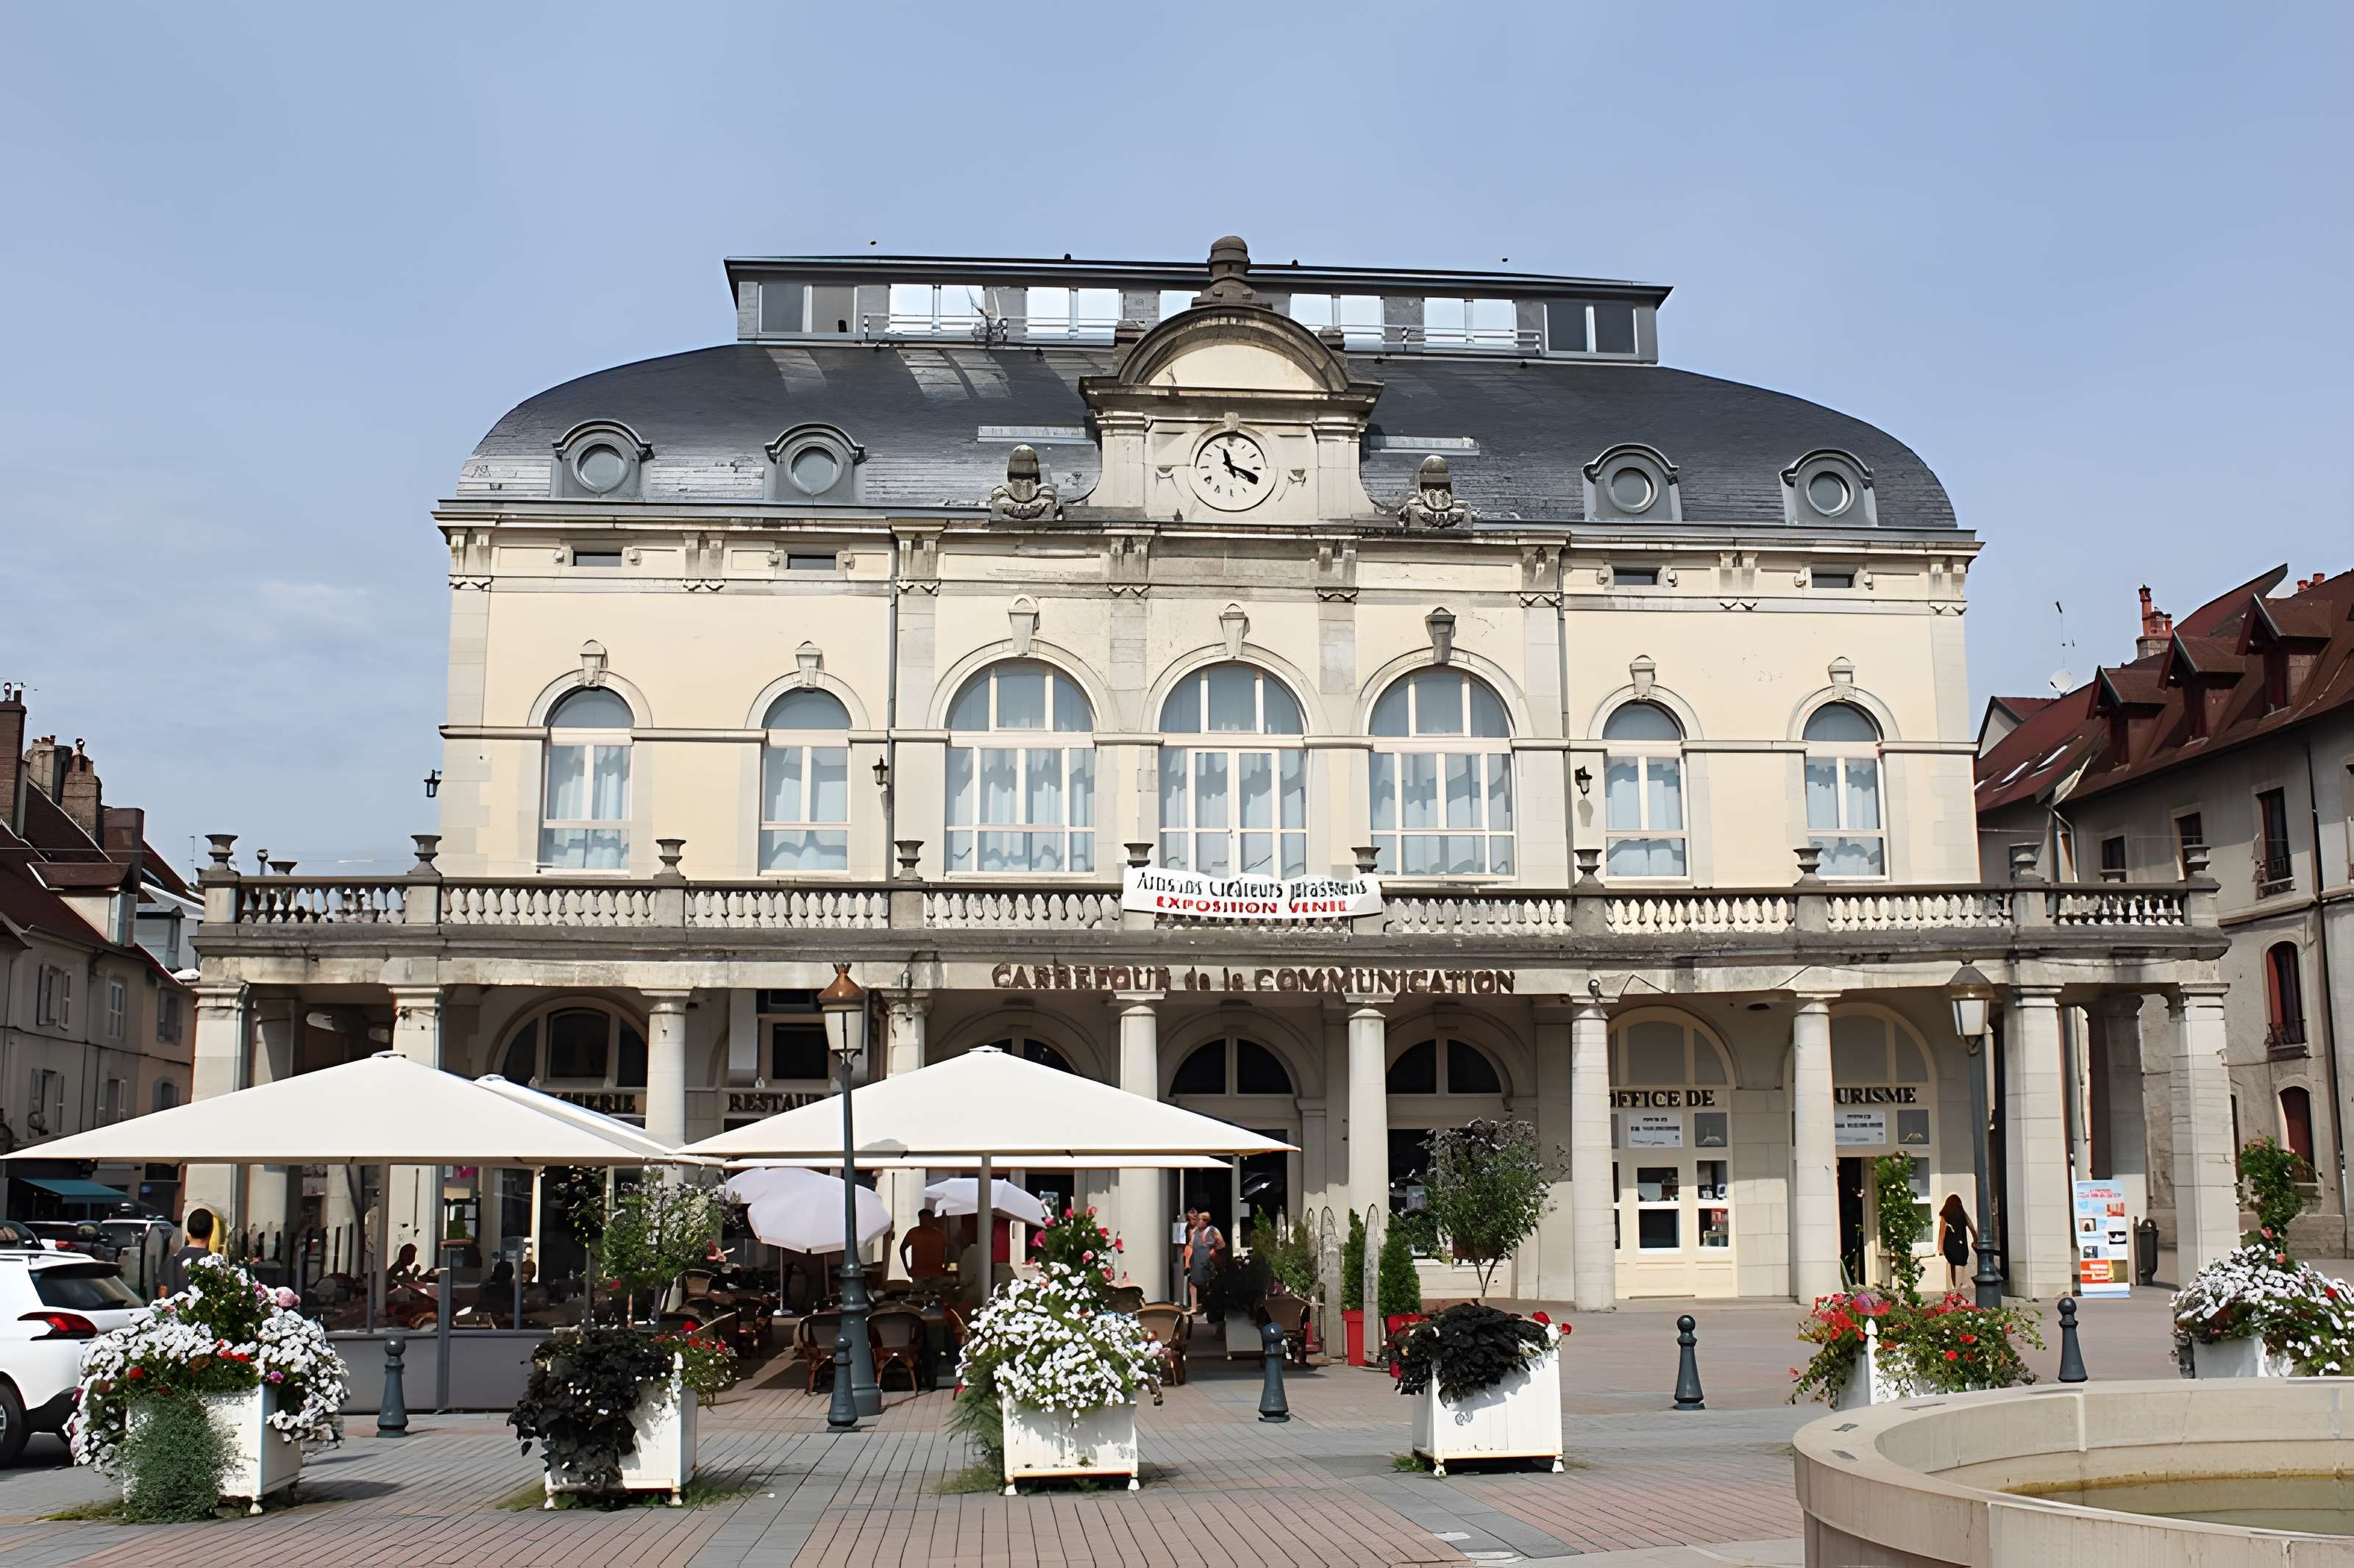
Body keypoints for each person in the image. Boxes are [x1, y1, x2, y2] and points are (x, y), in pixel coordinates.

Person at [161, 1206, 213, 1297]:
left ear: (188, 1232)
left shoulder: (172, 1260)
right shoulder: (214, 1264)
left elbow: (163, 1291)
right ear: (211, 1232)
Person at [901, 1205, 952, 1288]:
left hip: (936, 1275)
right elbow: (902, 1249)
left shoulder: (940, 1235)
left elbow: (951, 1249)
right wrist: (907, 1269)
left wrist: (946, 1267)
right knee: (917, 1298)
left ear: (932, 1220)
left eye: (926, 1220)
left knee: (935, 1297)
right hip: (918, 1275)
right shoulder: (913, 1233)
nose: (924, 1222)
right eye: (922, 1220)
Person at [1936, 1194, 1976, 1290]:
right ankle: (1957, 1290)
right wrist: (1976, 1239)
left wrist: (1940, 1248)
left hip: (1949, 1246)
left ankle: (1955, 1288)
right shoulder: (1962, 1214)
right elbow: (1971, 1225)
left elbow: (1942, 1231)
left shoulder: (1945, 1214)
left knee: (1952, 1264)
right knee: (1959, 1265)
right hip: (1961, 1246)